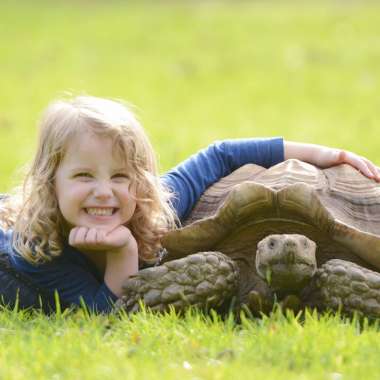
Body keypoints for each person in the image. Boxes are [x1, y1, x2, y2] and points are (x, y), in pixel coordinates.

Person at [0, 95, 378, 313]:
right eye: (84, 176)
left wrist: (327, 153)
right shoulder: (35, 252)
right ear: (51, 183)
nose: (104, 192)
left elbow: (221, 154)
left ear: (143, 183)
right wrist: (123, 253)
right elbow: (104, 313)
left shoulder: (159, 203)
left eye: (120, 177)